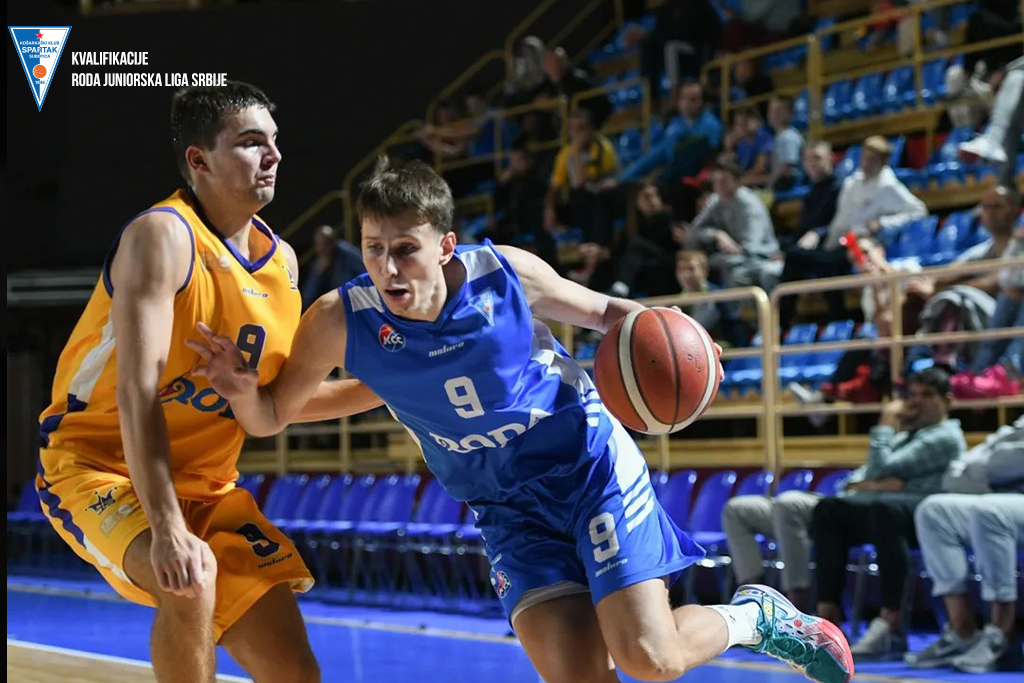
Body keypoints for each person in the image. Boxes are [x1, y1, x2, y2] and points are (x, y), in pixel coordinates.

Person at [189, 155, 854, 683]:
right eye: (372, 248)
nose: (387, 267)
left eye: (405, 248)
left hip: (586, 470)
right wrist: (240, 391)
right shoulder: (340, 320)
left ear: (445, 245)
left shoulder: (504, 276)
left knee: (650, 658)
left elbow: (604, 312)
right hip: (506, 507)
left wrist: (680, 332)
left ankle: (756, 617)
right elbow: (272, 414)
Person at [35, 82, 377, 683]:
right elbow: (138, 395)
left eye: (274, 141)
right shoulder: (163, 236)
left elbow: (277, 405)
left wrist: (395, 390)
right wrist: (168, 527)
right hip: (99, 467)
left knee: (295, 672)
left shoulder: (283, 262)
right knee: (189, 579)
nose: (273, 155)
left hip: (210, 490)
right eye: (250, 142)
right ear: (199, 160)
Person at [810, 368, 967, 660]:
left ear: (947, 400)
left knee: (885, 509)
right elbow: (860, 479)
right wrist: (878, 484)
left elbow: (879, 467)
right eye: (913, 395)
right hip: (893, 514)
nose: (916, 402)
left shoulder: (945, 436)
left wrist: (885, 423)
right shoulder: (909, 434)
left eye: (927, 395)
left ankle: (891, 624)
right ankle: (828, 618)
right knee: (830, 509)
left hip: (927, 519)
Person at [906, 416, 1024, 673]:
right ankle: (962, 631)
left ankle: (1002, 634)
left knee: (990, 511)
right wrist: (989, 468)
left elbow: (1011, 459)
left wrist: (980, 469)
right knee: (934, 510)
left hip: (1004, 501)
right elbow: (959, 470)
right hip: (1004, 496)